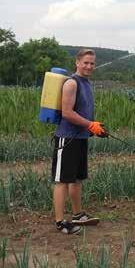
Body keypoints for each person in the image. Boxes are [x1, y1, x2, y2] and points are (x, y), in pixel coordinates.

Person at [51, 48, 107, 234]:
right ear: (77, 62)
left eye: (92, 63)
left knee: (77, 179)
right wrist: (90, 125)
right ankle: (60, 222)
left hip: (81, 137)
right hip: (67, 139)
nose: (89, 66)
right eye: (86, 62)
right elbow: (67, 113)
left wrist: (95, 129)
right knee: (62, 181)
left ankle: (78, 215)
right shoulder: (71, 83)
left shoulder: (87, 83)